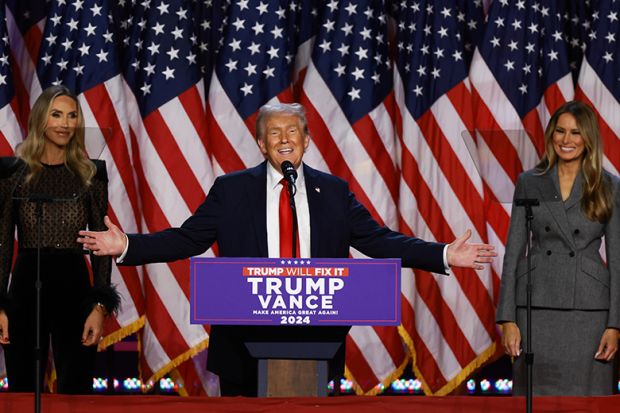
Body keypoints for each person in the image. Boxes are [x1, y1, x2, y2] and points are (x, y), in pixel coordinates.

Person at [77, 102, 496, 396]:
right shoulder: (232, 190)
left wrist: (443, 254)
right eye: (273, 132)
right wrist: (126, 244)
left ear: (307, 140)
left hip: (315, 339)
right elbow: (188, 238)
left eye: (292, 131)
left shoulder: (333, 193)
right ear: (261, 144)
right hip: (243, 341)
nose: (283, 139)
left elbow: (378, 240)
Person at [0, 85, 119, 394]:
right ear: (41, 120)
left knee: (76, 387)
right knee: (24, 388)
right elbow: (1, 243)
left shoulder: (91, 175)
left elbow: (101, 246)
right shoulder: (13, 173)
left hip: (74, 285)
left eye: (72, 115)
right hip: (27, 284)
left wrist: (99, 306)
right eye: (56, 115)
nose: (65, 123)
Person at [497, 100, 620, 395]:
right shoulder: (530, 182)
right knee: (536, 399)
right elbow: (513, 255)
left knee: (586, 400)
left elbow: (617, 262)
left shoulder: (608, 185)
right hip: (536, 307)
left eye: (576, 133)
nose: (567, 140)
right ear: (551, 134)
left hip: (589, 312)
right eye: (560, 131)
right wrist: (508, 319)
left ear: (588, 138)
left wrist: (615, 325)